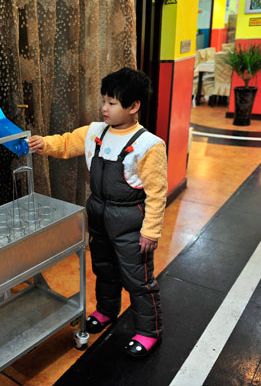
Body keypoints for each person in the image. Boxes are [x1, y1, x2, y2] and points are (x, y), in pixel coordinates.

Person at [28, 67, 167, 358]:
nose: (104, 108)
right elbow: (66, 142)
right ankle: (106, 311)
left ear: (134, 106)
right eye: (103, 100)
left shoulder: (149, 145)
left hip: (131, 221)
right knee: (103, 269)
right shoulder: (94, 132)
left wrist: (150, 232)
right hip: (100, 216)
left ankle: (149, 331)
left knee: (137, 279)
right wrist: (44, 144)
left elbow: (156, 193)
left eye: (112, 103)